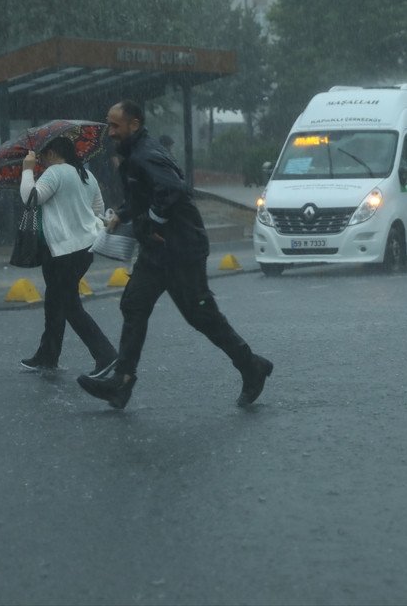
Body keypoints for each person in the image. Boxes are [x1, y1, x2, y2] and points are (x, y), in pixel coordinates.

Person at [76, 100, 272, 410]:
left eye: (116, 125)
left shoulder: (145, 154)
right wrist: (124, 214)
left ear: (135, 124)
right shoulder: (134, 155)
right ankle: (122, 382)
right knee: (133, 304)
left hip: (182, 249)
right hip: (159, 250)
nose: (110, 132)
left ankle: (251, 366)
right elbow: (146, 195)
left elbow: (173, 190)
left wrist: (154, 221)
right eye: (109, 124)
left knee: (201, 315)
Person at [18, 136, 118, 375]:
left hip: (63, 250)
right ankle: (48, 355)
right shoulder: (86, 175)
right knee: (54, 301)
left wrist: (27, 170)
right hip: (83, 249)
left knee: (69, 305)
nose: (40, 160)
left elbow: (30, 198)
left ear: (52, 153)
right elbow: (98, 211)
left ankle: (106, 354)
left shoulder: (55, 173)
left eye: (42, 155)